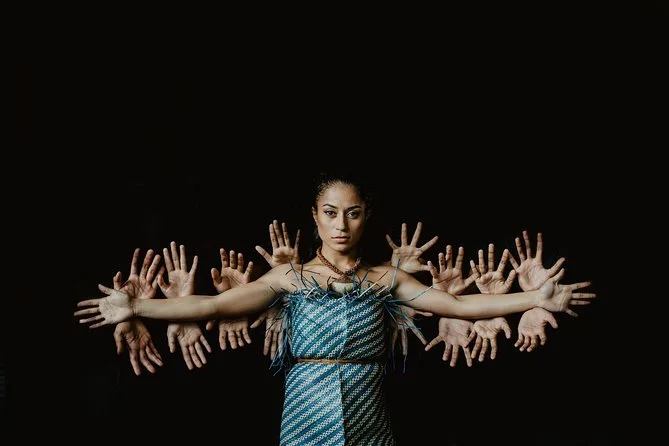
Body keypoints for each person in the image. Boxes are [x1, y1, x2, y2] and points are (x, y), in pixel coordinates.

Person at [74, 171, 595, 445]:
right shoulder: (290, 277)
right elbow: (212, 304)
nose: (341, 224)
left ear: (366, 216)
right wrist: (136, 305)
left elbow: (456, 305)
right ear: (315, 217)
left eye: (353, 213)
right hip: (306, 404)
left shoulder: (386, 278)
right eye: (330, 213)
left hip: (367, 403)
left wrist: (535, 298)